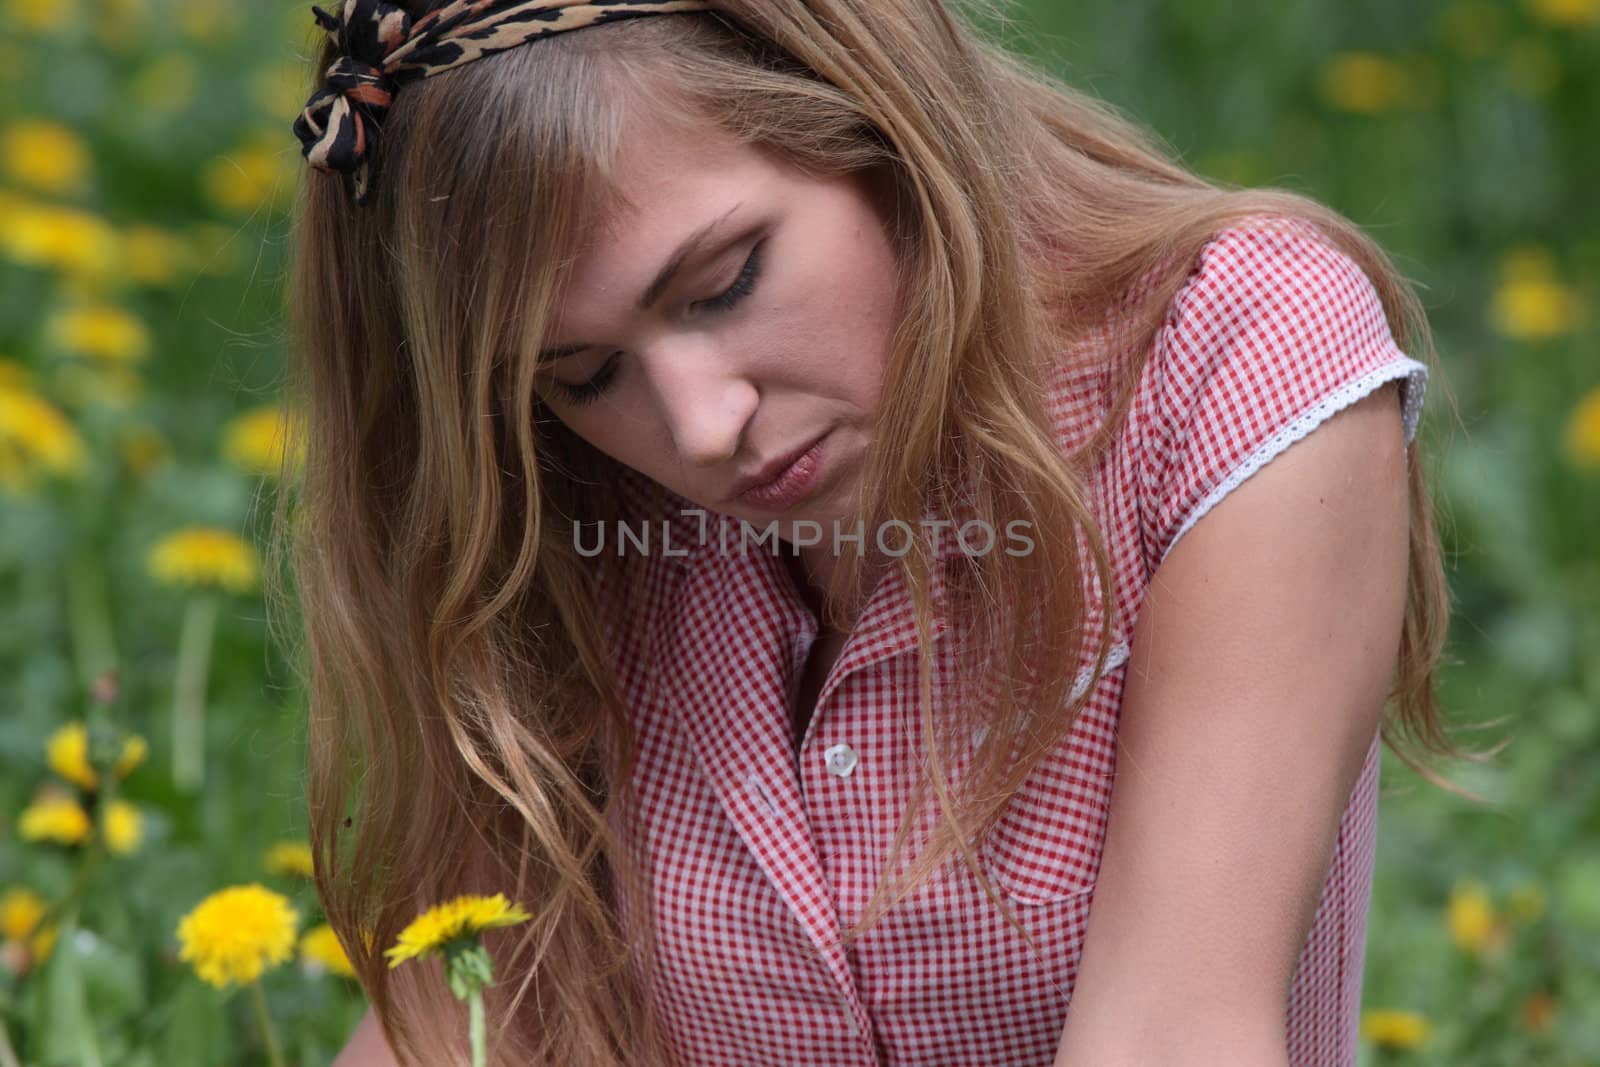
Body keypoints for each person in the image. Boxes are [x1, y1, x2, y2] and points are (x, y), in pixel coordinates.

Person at [276, 2, 1484, 1065]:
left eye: (723, 282)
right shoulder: (579, 509)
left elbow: (1168, 1036)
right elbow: (463, 1025)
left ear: (880, 125)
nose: (702, 428)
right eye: (585, 373)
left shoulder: (1226, 355)